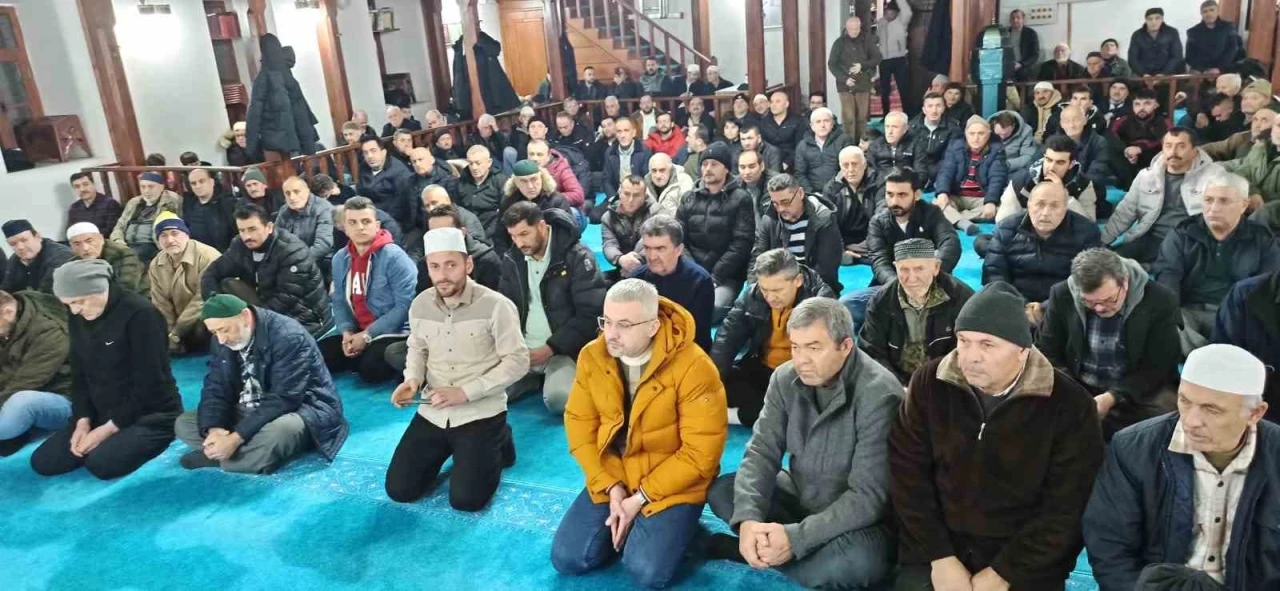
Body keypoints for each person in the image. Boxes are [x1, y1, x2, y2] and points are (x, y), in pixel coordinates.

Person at [889, 281, 1105, 591]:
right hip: (937, 548)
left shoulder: (1069, 406)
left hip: (1025, 560)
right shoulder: (930, 383)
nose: (970, 356)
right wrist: (940, 557)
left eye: (987, 345)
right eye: (964, 341)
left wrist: (1003, 573)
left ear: (1022, 350)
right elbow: (907, 474)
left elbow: (1067, 506)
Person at [707, 296, 898, 588]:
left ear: (846, 346)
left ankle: (763, 552)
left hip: (857, 520)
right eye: (795, 347)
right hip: (801, 494)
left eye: (814, 348)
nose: (801, 360)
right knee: (725, 491)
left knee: (857, 565)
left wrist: (796, 539)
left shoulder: (880, 395)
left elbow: (868, 497)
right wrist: (748, 521)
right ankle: (774, 548)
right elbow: (761, 451)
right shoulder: (785, 378)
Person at [552, 279, 727, 589]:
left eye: (624, 325)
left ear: (652, 327)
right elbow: (579, 423)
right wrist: (611, 487)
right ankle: (650, 530)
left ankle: (686, 533)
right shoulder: (593, 356)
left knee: (645, 572)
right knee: (569, 559)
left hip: (671, 482)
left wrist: (638, 500)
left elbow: (700, 454)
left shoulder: (695, 366)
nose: (611, 333)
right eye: (606, 321)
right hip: (617, 474)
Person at [1083, 343, 1279, 591]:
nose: (1191, 420)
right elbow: (1110, 547)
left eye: (1211, 409)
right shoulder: (1134, 449)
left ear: (1255, 413)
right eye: (1185, 401)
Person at [386, 227, 528, 510]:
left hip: (480, 411)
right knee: (400, 490)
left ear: (468, 264)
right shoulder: (420, 304)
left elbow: (518, 361)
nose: (443, 275)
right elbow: (417, 347)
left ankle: (501, 436)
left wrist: (465, 392)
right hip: (434, 410)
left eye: (451, 265)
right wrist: (412, 380)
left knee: (466, 500)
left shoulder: (496, 306)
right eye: (435, 266)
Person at [30, 260, 183, 480]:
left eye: (78, 302)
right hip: (101, 410)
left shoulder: (142, 314)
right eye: (68, 304)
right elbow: (79, 373)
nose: (74, 310)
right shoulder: (78, 314)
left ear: (99, 289)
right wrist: (82, 420)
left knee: (101, 464)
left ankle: (160, 433)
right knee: (44, 462)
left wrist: (109, 429)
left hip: (150, 412)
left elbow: (150, 383)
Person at [174, 294, 347, 473]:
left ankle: (225, 459)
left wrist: (235, 438)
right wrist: (214, 430)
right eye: (214, 332)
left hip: (301, 410)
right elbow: (216, 387)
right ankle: (250, 455)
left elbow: (284, 398)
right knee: (184, 424)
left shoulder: (288, 335)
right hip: (250, 408)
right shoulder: (221, 340)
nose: (221, 339)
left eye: (224, 330)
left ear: (245, 317)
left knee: (282, 431)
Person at [1039, 248, 1180, 440]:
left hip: (1136, 387)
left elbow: (1159, 366)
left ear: (1125, 283)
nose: (1099, 308)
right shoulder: (1062, 294)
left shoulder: (1160, 300)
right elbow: (1048, 352)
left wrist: (1113, 396)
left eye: (1109, 300)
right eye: (1089, 302)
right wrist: (1074, 393)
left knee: (1171, 417)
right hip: (1078, 383)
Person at [1151, 172, 1280, 355]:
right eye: (1208, 200)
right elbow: (1168, 275)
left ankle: (1204, 357)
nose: (1214, 208)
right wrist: (1172, 314)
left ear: (1244, 205)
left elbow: (1268, 287)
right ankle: (1216, 356)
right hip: (1189, 313)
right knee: (1166, 326)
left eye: (1224, 201)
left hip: (1237, 316)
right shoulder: (1182, 233)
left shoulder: (1263, 240)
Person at [499, 202, 606, 414]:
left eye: (524, 234)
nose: (519, 243)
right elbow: (504, 307)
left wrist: (551, 348)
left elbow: (590, 313)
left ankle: (545, 379)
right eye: (513, 236)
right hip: (522, 351)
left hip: (562, 350)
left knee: (561, 400)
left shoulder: (577, 256)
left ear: (541, 226)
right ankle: (533, 380)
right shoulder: (512, 259)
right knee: (485, 393)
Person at [712, 249, 835, 427]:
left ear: (798, 281)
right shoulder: (753, 294)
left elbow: (826, 364)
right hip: (761, 366)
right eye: (765, 289)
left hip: (799, 376)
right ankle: (758, 412)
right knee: (709, 381)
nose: (770, 297)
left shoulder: (822, 303)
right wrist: (711, 381)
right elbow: (727, 338)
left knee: (801, 411)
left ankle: (739, 415)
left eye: (777, 290)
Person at [319, 197, 416, 383]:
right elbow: (338, 300)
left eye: (366, 221)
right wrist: (346, 332)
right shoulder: (340, 259)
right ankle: (357, 351)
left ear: (377, 225)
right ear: (344, 228)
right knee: (319, 354)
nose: (360, 227)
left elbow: (405, 306)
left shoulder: (395, 257)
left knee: (371, 371)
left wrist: (367, 335)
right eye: (353, 223)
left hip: (395, 331)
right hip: (358, 329)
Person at [200, 204, 331, 338]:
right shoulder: (239, 245)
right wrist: (216, 306)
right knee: (226, 284)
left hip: (302, 315)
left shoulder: (291, 251)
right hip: (263, 306)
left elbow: (287, 297)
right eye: (242, 230)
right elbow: (212, 273)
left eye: (252, 229)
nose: (246, 236)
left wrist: (251, 321)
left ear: (269, 227)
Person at [859, 239, 974, 385]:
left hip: (946, 380)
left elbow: (969, 351)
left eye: (919, 269)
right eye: (904, 270)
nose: (912, 278)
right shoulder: (881, 302)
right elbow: (872, 352)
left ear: (936, 267)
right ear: (895, 268)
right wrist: (896, 386)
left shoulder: (961, 299)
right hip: (897, 382)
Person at [1103, 128, 1223, 264]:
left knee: (1166, 269)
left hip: (1186, 242)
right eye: (1168, 146)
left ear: (1194, 151)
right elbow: (1125, 212)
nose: (1173, 152)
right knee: (1108, 264)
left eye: (1181, 146)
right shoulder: (1147, 176)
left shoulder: (1214, 177)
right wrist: (1102, 241)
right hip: (1149, 237)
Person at [985, 181, 1103, 310]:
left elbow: (1086, 281)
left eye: (1054, 206)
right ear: (1029, 205)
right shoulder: (1006, 229)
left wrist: (1045, 308)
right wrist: (1022, 307)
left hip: (1064, 308)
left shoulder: (1087, 232)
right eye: (1040, 204)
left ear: (1065, 208)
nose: (1046, 213)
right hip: (1014, 305)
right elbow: (994, 275)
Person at [676, 142, 756, 318]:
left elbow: (741, 244)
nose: (708, 169)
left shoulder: (741, 199)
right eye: (705, 164)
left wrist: (714, 277)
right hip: (692, 269)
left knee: (711, 308)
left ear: (726, 168)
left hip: (725, 275)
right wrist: (693, 271)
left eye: (714, 164)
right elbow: (678, 239)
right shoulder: (688, 198)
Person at [0, 289, 71, 455]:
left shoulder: (50, 332)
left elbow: (27, 381)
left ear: (7, 312)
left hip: (63, 397)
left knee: (23, 401)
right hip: (15, 389)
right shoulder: (9, 323)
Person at [630, 215, 715, 352]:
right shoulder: (636, 279)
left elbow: (698, 336)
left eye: (660, 249)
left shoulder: (699, 281)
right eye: (647, 248)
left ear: (679, 250)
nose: (652, 256)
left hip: (685, 350)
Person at [866, 167, 961, 286]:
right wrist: (899, 285)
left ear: (917, 195)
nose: (894, 201)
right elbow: (879, 261)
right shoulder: (878, 222)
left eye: (902, 195)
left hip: (932, 281)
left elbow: (950, 243)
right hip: (893, 283)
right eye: (890, 194)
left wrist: (932, 274)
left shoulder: (932, 214)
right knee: (854, 298)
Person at [750, 174, 843, 293]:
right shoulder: (770, 219)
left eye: (785, 202)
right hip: (776, 287)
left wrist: (791, 291)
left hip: (816, 289)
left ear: (800, 193)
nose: (780, 209)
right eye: (775, 203)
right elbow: (758, 257)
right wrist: (755, 289)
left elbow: (826, 271)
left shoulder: (824, 219)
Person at [149, 214, 221, 354]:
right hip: (177, 322)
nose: (170, 240)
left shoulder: (207, 256)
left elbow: (203, 299)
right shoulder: (156, 264)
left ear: (187, 235)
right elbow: (161, 303)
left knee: (200, 331)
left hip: (203, 316)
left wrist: (177, 332)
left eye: (175, 233)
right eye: (163, 235)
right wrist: (169, 334)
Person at [996, 134, 1101, 223]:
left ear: (1071, 164)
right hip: (1027, 235)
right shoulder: (1022, 180)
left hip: (1065, 237)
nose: (1051, 167)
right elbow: (1003, 221)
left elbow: (1089, 224)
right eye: (1049, 160)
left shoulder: (1082, 184)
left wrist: (1064, 195)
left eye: (1060, 162)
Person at [933, 116, 1007, 235]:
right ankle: (964, 223)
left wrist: (991, 201)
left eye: (981, 133)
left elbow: (997, 178)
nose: (976, 138)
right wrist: (943, 193)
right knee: (936, 204)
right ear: (966, 134)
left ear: (988, 134)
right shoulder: (955, 146)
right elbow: (946, 171)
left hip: (982, 197)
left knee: (1004, 210)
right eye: (972, 134)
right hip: (958, 195)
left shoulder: (997, 150)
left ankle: (956, 217)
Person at [408, 205, 502, 294]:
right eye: (434, 233)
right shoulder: (426, 263)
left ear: (462, 232)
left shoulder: (486, 260)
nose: (440, 238)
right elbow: (423, 298)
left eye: (446, 232)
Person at [493, 159, 575, 252]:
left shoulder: (557, 201)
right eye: (524, 181)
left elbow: (567, 235)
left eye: (534, 179)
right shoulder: (509, 202)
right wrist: (507, 256)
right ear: (516, 183)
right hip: (518, 253)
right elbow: (500, 236)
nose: (530, 186)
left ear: (542, 178)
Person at [823, 146, 883, 264]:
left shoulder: (879, 183)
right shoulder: (831, 189)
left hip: (872, 239)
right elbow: (829, 224)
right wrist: (840, 250)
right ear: (840, 166)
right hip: (844, 241)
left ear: (864, 164)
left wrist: (871, 244)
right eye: (845, 165)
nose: (850, 169)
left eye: (855, 164)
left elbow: (881, 217)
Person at [111, 171, 182, 265]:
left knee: (128, 260)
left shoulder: (171, 201)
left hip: (151, 245)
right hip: (127, 245)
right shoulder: (134, 202)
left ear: (161, 187)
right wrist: (117, 239)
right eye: (143, 187)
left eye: (150, 187)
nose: (146, 191)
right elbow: (120, 225)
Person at [273, 175, 335, 274]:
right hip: (289, 264)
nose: (292, 197)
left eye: (296, 191)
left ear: (307, 191)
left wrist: (297, 262)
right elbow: (275, 240)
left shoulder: (324, 208)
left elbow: (323, 245)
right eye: (287, 193)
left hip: (319, 263)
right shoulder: (284, 210)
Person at [66, 222, 147, 297]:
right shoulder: (73, 263)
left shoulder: (123, 254)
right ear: (71, 246)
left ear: (101, 239)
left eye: (89, 241)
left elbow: (126, 287)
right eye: (77, 244)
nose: (85, 248)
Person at [1112, 90, 1173, 189]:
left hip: (1152, 157)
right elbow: (1111, 137)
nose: (1141, 108)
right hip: (1128, 157)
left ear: (1156, 105)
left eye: (1147, 104)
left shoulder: (1163, 122)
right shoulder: (1123, 120)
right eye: (1137, 104)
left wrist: (1141, 148)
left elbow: (1166, 140)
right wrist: (1126, 150)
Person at [600, 176, 654, 279]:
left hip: (651, 268)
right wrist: (621, 259)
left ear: (645, 196)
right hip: (622, 267)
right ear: (620, 192)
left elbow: (651, 242)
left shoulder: (656, 213)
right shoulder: (608, 217)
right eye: (626, 194)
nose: (630, 200)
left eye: (636, 195)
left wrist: (635, 261)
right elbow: (609, 244)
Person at [357, 136, 414, 231]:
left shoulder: (399, 172)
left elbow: (401, 205)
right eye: (365, 153)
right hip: (368, 217)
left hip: (392, 222)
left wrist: (377, 221)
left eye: (373, 151)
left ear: (384, 152)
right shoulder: (363, 167)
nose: (369, 156)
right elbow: (361, 193)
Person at [1, 220, 73, 295]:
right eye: (13, 244)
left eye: (24, 240)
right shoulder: (16, 258)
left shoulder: (59, 256)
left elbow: (46, 296)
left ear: (38, 236)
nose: (20, 247)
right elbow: (6, 289)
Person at [793, 107, 854, 194]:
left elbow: (847, 168)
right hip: (812, 194)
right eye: (818, 122)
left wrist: (833, 190)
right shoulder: (802, 146)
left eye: (826, 121)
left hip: (840, 191)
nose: (822, 125)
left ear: (832, 124)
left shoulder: (844, 140)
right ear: (812, 126)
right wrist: (812, 193)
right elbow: (800, 174)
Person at [1225, 115, 1280, 206]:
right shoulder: (1260, 148)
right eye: (1279, 126)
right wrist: (1252, 192)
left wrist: (1259, 198)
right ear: (1273, 128)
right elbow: (1243, 171)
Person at [182, 168, 238, 252]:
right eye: (193, 183)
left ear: (212, 182)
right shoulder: (189, 205)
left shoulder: (228, 204)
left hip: (223, 254)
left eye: (202, 181)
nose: (198, 186)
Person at [457, 144, 509, 233]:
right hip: (469, 230)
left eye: (478, 163)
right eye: (470, 163)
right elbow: (457, 210)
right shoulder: (461, 183)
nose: (474, 167)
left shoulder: (501, 181)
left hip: (495, 231)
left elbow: (506, 211)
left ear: (489, 162)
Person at [527, 139, 586, 212]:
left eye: (539, 154)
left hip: (565, 209)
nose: (534, 158)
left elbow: (578, 195)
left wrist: (550, 199)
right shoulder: (524, 169)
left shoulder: (561, 168)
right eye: (531, 154)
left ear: (549, 155)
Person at [877, 0, 913, 115]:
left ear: (897, 13)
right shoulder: (881, 22)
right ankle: (885, 114)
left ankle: (908, 114)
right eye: (887, 12)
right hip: (884, 60)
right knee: (884, 89)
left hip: (899, 59)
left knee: (904, 88)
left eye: (892, 13)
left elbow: (907, 11)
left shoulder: (902, 21)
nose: (889, 15)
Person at [1186, 1, 1242, 75]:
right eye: (1205, 11)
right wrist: (1202, 70)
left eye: (1212, 10)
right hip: (1201, 73)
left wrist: (1219, 68)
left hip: (1224, 70)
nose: (1208, 14)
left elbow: (1232, 49)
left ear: (1217, 11)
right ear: (1201, 14)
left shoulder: (1228, 27)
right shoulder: (1193, 31)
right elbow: (1189, 55)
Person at [603, 117, 652, 199]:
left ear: (633, 133)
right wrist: (613, 198)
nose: (622, 135)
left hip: (639, 195)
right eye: (619, 131)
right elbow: (606, 180)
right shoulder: (609, 152)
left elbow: (647, 179)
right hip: (617, 196)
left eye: (626, 130)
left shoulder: (644, 151)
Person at [1129, 7, 1186, 76]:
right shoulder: (1137, 35)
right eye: (1150, 19)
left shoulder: (1172, 32)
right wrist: (1143, 73)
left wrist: (1164, 73)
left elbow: (1177, 56)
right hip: (1144, 75)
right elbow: (1132, 58)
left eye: (1157, 18)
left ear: (1162, 19)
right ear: (1146, 20)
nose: (1153, 22)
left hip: (1168, 74)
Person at [759, 90, 807, 167]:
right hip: (769, 163)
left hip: (792, 163)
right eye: (771, 102)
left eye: (778, 101)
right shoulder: (764, 122)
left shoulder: (798, 121)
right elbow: (762, 146)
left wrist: (787, 163)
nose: (773, 105)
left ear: (786, 104)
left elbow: (800, 147)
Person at [645, 152, 694, 218]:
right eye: (654, 171)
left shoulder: (684, 182)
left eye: (662, 170)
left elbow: (688, 213)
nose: (658, 176)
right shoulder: (645, 186)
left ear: (670, 169)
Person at [1008, 9, 1041, 81]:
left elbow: (1035, 55)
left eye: (1018, 18)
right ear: (1010, 20)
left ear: (1023, 20)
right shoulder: (1006, 33)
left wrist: (1021, 64)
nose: (1015, 20)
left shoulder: (1031, 33)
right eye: (1013, 18)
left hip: (1024, 67)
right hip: (1008, 68)